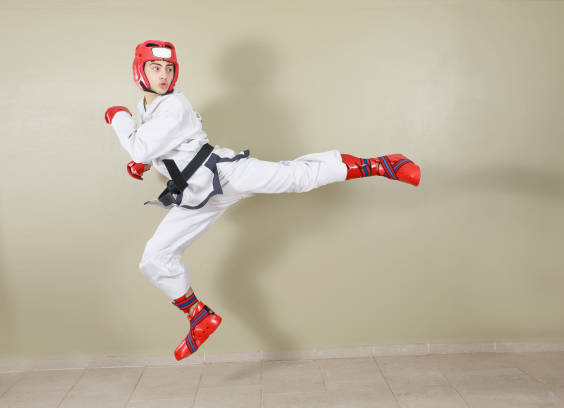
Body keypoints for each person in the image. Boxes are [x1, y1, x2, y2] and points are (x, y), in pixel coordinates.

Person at [104, 40, 421, 361]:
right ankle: (198, 316)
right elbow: (160, 145)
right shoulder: (150, 108)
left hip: (223, 173)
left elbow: (141, 145)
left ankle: (381, 164)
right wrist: (145, 164)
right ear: (139, 70)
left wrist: (118, 117)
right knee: (154, 258)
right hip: (197, 195)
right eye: (156, 68)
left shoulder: (174, 105)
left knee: (294, 177)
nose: (163, 75)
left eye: (169, 68)